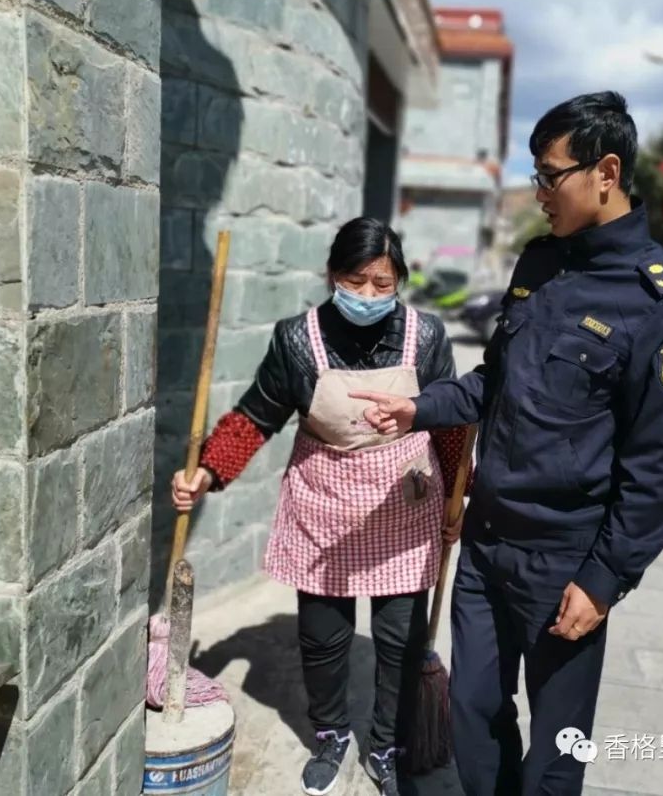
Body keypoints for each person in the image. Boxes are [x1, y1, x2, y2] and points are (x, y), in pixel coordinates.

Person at [351, 92, 663, 796]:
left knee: (557, 748)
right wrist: (418, 409)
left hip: (564, 561)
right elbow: (494, 382)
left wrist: (604, 580)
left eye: (549, 176)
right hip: (486, 545)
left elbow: (659, 469)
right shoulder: (538, 265)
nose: (538, 192)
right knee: (475, 715)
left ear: (606, 173)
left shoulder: (660, 300)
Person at [170, 217, 471, 796]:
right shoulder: (295, 339)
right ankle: (331, 735)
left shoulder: (427, 337)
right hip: (324, 504)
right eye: (355, 282)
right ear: (333, 275)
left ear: (400, 282)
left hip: (403, 503)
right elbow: (257, 414)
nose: (368, 295)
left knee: (400, 640)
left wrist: (461, 494)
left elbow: (450, 421)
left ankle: (385, 744)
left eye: (382, 284)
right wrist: (206, 471)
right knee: (323, 637)